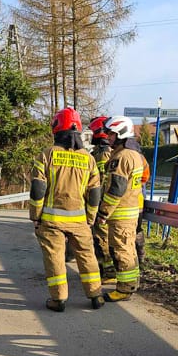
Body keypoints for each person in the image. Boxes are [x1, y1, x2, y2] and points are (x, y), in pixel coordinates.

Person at [29, 107, 104, 312]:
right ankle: (96, 294)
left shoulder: (47, 155)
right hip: (80, 221)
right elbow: (95, 192)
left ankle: (58, 299)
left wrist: (35, 217)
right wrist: (90, 218)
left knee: (55, 257)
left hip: (51, 220)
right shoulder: (88, 159)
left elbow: (38, 189)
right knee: (87, 256)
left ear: (56, 129)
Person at [96, 115, 146, 302]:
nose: (107, 137)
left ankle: (125, 288)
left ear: (121, 134)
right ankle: (132, 282)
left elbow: (116, 189)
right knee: (128, 249)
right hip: (130, 211)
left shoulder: (122, 157)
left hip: (121, 214)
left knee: (121, 250)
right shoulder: (134, 155)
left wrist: (103, 212)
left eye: (111, 134)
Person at [87, 116, 115, 282]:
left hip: (102, 202)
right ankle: (104, 269)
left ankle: (108, 271)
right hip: (99, 201)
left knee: (101, 237)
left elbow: (104, 179)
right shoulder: (98, 152)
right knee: (98, 237)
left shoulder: (104, 153)